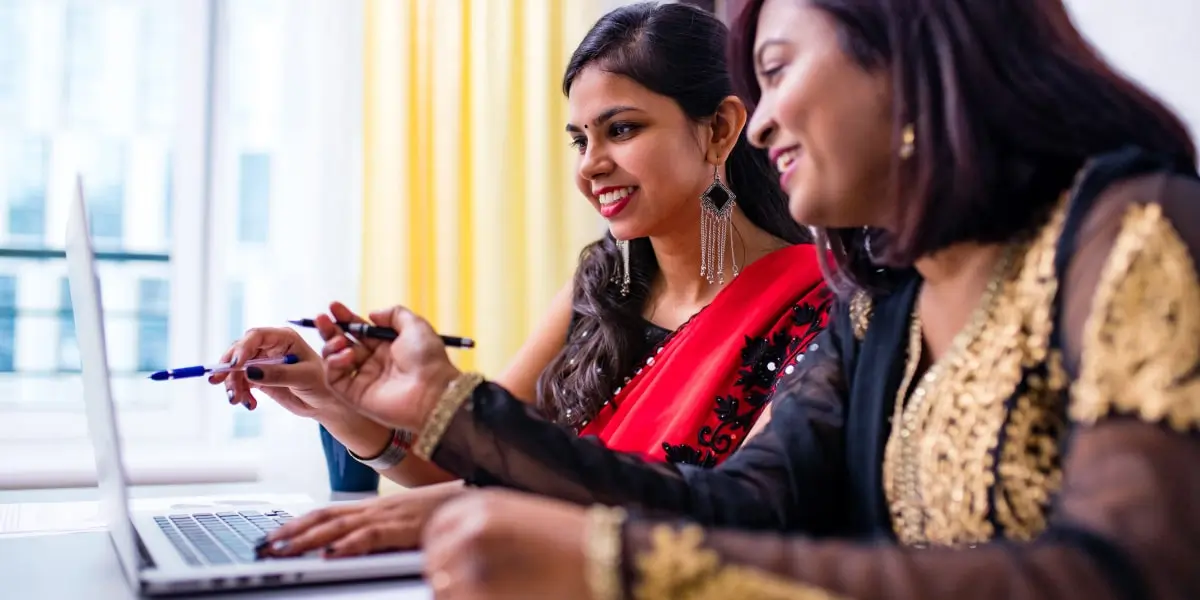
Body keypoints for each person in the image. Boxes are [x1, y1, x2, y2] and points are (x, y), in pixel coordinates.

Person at [296, 0, 1200, 597]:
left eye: (776, 71)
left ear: (908, 52)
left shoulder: (1129, 232)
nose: (764, 121)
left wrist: (611, 561)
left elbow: (1131, 572)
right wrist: (431, 401)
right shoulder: (879, 304)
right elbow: (737, 508)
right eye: (580, 137)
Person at [227, 2, 831, 557]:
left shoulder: (820, 305)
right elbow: (472, 462)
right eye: (580, 139)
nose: (591, 165)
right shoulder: (601, 287)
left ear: (721, 129)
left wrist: (457, 504)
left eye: (621, 130)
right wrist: (334, 401)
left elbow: (738, 517)